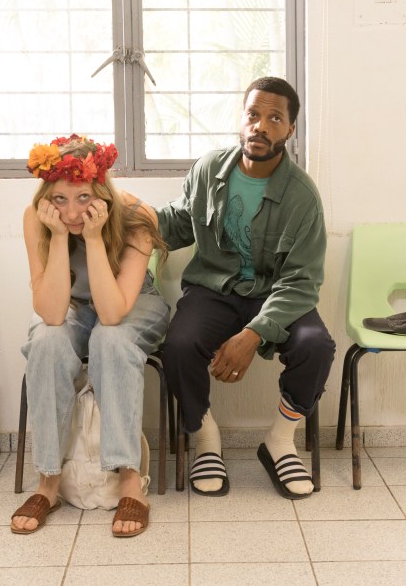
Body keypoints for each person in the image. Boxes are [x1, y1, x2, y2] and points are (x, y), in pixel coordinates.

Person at [155, 77, 336, 500]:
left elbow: (302, 281)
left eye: (275, 118)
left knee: (317, 345)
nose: (261, 126)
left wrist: (253, 334)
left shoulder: (303, 197)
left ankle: (279, 441)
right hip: (213, 289)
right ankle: (206, 439)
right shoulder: (208, 169)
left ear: (290, 130)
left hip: (275, 294)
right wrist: (124, 212)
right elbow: (181, 223)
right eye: (253, 115)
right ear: (242, 118)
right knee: (178, 345)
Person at [14, 134, 169, 537]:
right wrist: (62, 238)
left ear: (100, 192)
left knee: (111, 340)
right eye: (60, 200)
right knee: (46, 342)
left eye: (83, 198)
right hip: (72, 305)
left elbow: (115, 313)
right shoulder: (37, 218)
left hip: (133, 303)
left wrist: (96, 238)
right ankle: (48, 482)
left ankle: (130, 479)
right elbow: (50, 313)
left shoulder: (136, 216)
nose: (71, 212)